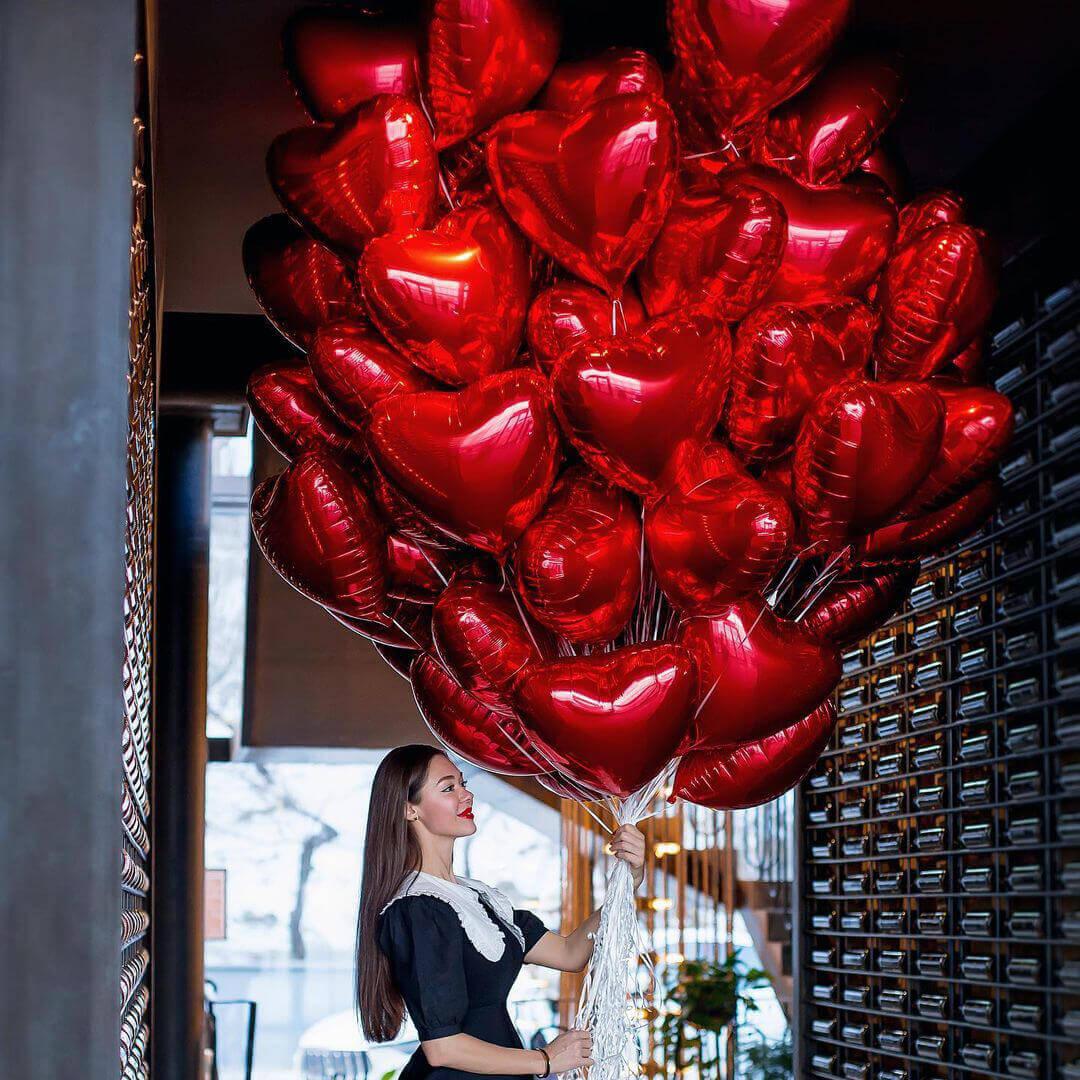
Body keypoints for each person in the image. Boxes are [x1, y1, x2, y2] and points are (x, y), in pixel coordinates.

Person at [354, 743, 647, 1078]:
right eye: (448, 788)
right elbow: (442, 1048)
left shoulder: (479, 898)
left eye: (463, 783)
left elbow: (570, 953)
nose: (466, 795)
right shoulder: (418, 909)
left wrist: (628, 881)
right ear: (409, 810)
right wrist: (546, 1060)